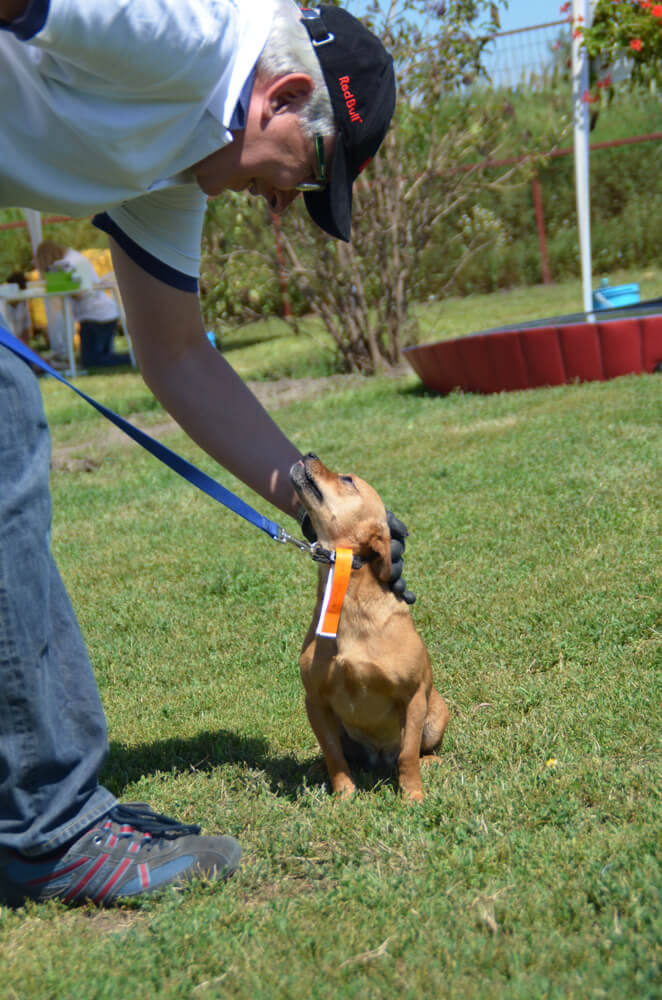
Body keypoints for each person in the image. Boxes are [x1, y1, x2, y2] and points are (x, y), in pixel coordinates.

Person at [0, 0, 407, 907]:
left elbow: (178, 355)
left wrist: (316, 502)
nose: (283, 205)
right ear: (283, 96)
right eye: (307, 177)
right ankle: (49, 831)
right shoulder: (186, 25)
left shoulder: (178, 169)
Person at [35, 241, 130, 369]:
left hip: (96, 316)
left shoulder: (70, 262)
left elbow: (80, 294)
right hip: (104, 314)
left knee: (91, 361)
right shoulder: (74, 257)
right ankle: (129, 358)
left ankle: (130, 358)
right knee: (97, 356)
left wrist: (59, 285)